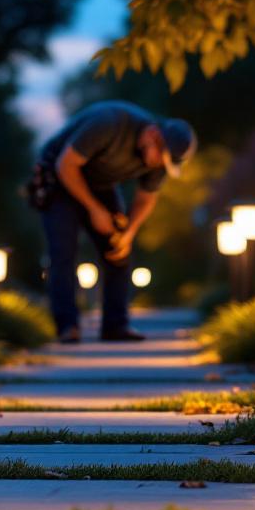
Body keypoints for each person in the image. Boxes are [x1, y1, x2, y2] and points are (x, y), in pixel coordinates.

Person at [31, 100, 196, 343]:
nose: (160, 165)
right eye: (161, 158)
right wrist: (95, 210)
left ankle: (115, 325)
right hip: (58, 177)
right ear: (152, 135)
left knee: (118, 251)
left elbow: (146, 198)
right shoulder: (109, 124)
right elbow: (65, 165)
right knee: (63, 251)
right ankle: (67, 326)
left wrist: (129, 233)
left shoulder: (159, 158)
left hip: (100, 184)